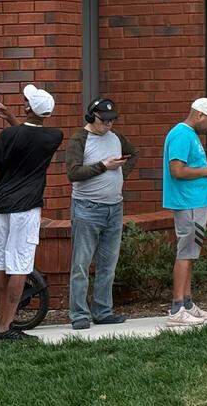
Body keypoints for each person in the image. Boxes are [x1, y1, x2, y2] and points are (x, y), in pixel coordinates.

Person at [0, 84, 64, 342]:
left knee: (0, 266)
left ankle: (2, 325)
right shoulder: (54, 136)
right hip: (27, 209)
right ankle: (6, 329)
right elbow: (31, 134)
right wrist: (11, 118)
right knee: (19, 266)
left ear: (28, 108)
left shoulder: (7, 137)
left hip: (1, 208)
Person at [65, 97, 137, 330]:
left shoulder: (116, 137)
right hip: (87, 208)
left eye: (112, 120)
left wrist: (121, 174)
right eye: (103, 120)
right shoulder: (79, 139)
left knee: (108, 263)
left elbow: (132, 154)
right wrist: (104, 167)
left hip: (115, 207)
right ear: (90, 117)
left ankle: (103, 310)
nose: (108, 125)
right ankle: (78, 314)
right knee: (81, 264)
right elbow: (73, 173)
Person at [162, 97, 207, 327]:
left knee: (190, 254)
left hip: (195, 202)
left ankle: (187, 304)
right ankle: (177, 307)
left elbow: (190, 168)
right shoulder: (182, 134)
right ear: (199, 115)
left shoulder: (189, 135)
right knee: (185, 254)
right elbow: (177, 171)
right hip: (188, 203)